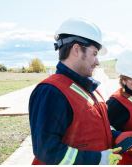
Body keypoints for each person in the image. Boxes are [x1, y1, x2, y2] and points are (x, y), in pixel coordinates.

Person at [29, 18, 122, 165]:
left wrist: (121, 136)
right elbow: (46, 150)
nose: (97, 62)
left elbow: (94, 129)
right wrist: (97, 159)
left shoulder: (89, 90)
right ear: (77, 50)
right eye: (94, 53)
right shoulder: (51, 91)